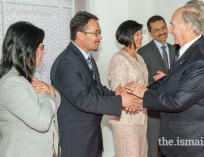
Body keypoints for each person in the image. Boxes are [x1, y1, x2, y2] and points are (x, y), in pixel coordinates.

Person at [126, 6, 204, 157]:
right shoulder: (190, 51)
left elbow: (178, 101)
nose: (170, 31)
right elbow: (175, 79)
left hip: (193, 142)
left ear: (188, 27)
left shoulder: (200, 59)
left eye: (172, 25)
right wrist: (145, 90)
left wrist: (145, 94)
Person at [50, 11, 142, 157]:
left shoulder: (87, 58)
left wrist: (114, 94)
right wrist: (120, 101)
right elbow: (83, 99)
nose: (100, 37)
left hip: (91, 136)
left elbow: (96, 89)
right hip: (76, 140)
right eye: (96, 33)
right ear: (81, 35)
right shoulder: (66, 63)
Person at [0, 21, 60, 157]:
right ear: (27, 47)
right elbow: (42, 121)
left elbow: (55, 99)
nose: (43, 52)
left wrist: (51, 91)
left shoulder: (33, 73)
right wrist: (49, 94)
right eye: (41, 47)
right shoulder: (11, 83)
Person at [108, 20, 148, 157]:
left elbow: (143, 84)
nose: (141, 37)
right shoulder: (119, 58)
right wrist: (140, 92)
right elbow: (119, 89)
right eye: (137, 34)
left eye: (141, 34)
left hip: (142, 116)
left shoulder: (140, 58)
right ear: (127, 35)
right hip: (126, 119)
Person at [137, 15, 175, 157]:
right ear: (150, 33)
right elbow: (142, 82)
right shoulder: (142, 52)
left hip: (174, 108)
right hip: (154, 111)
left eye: (163, 27)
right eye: (156, 29)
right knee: (154, 148)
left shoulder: (176, 49)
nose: (161, 32)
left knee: (172, 147)